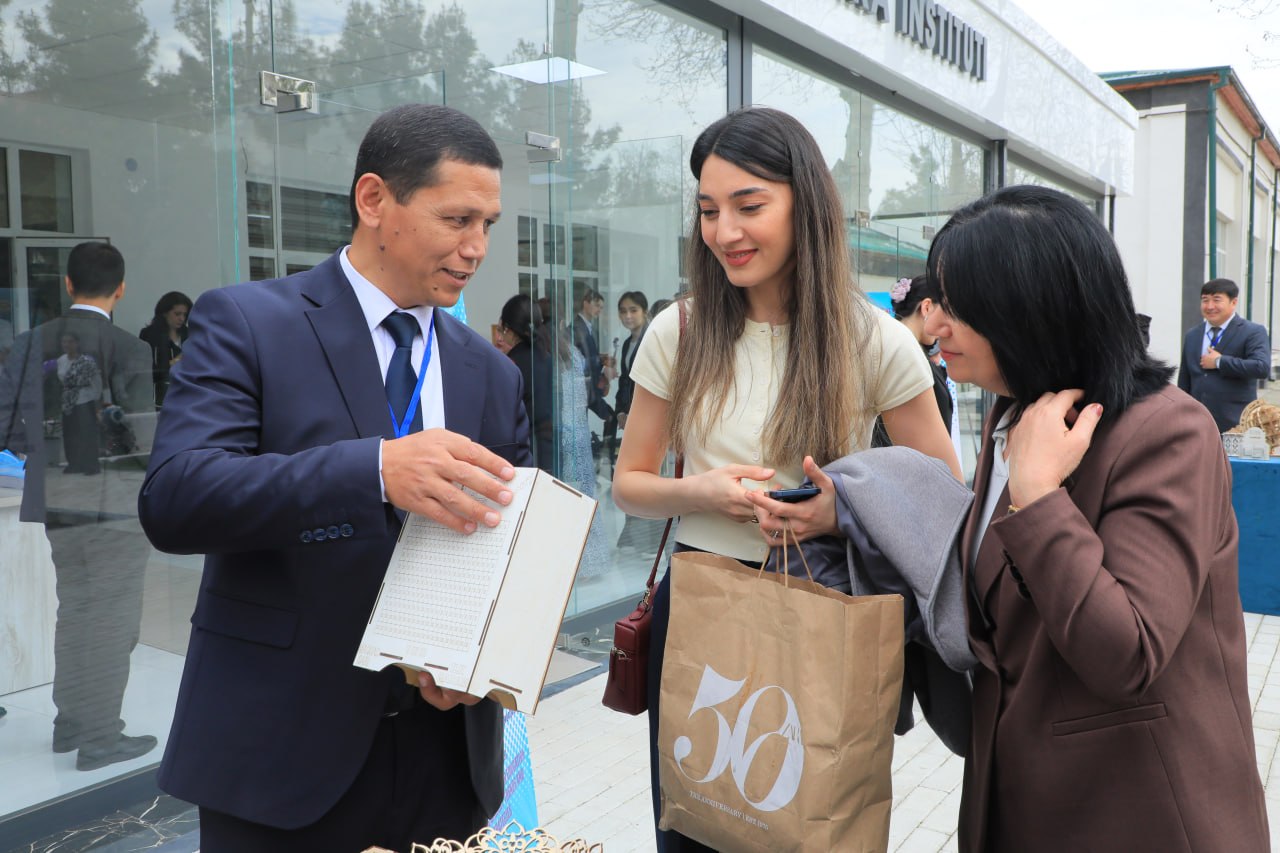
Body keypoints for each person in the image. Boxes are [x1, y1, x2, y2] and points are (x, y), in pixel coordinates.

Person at [137, 104, 531, 852]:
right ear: (374, 199)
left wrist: (487, 658)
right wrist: (374, 469)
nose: (476, 247)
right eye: (456, 219)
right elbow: (177, 497)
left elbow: (508, 539)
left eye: (488, 223)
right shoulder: (248, 323)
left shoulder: (490, 372)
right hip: (281, 754)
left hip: (448, 757)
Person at [611, 106, 961, 852]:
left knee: (808, 827)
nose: (724, 231)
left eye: (749, 206)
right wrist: (704, 492)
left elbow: (941, 496)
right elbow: (629, 483)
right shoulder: (680, 329)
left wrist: (838, 512)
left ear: (806, 205)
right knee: (697, 822)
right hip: (701, 597)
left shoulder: (875, 340)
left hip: (821, 605)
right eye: (709, 210)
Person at [920, 185, 1268, 852]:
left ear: (1030, 307)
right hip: (1021, 796)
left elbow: (1128, 651)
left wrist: (1039, 496)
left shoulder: (1167, 432)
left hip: (1138, 812)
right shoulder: (1014, 410)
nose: (936, 325)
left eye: (959, 306)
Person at [0, 241, 156, 771]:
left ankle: (69, 724)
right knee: (113, 617)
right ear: (121, 289)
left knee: (76, 608)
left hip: (57, 497)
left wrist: (45, 457)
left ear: (67, 284)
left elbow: (6, 425)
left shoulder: (28, 343)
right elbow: (139, 439)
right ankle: (101, 737)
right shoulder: (130, 348)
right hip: (115, 502)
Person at [1176, 277, 1270, 432]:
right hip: (1197, 423)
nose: (1210, 306)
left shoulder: (1252, 332)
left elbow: (1261, 367)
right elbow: (1185, 379)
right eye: (1205, 300)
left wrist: (1220, 361)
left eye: (1216, 300)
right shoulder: (1193, 334)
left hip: (1235, 423)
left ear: (1233, 302)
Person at [872, 274, 953, 447]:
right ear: (926, 307)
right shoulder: (914, 362)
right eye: (946, 312)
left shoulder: (884, 353)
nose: (947, 326)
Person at [499, 293, 554, 469]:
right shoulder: (547, 357)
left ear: (508, 329)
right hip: (549, 446)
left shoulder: (511, 364)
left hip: (525, 449)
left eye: (501, 330)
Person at [138, 291, 192, 407]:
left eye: (185, 315)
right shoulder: (149, 335)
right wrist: (177, 360)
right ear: (164, 313)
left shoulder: (189, 334)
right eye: (177, 314)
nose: (182, 319)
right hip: (160, 398)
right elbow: (146, 371)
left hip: (187, 394)